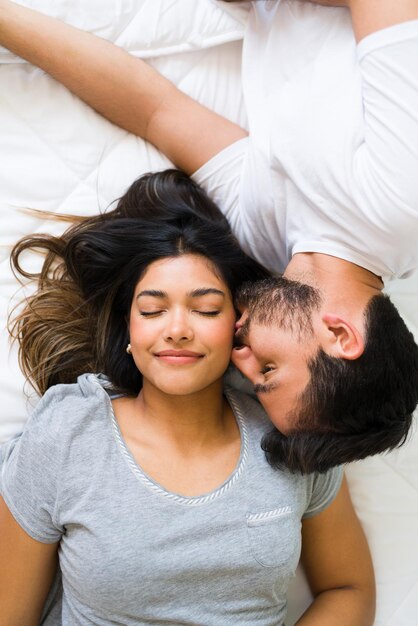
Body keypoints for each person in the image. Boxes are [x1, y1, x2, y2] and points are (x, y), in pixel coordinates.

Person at [0, 0, 417, 472]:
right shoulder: (401, 207)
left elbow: (156, 111)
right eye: (268, 372)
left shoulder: (268, 243)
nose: (239, 358)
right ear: (340, 334)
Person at [0, 170, 375, 625]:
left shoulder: (291, 433)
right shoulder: (65, 434)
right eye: (153, 310)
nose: (177, 329)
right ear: (129, 333)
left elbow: (348, 588)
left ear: (236, 326)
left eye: (205, 309)